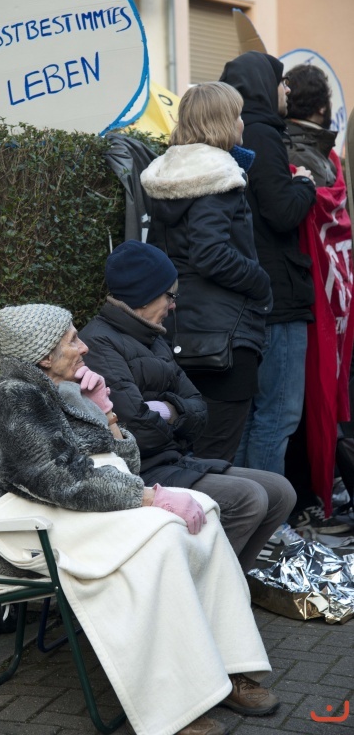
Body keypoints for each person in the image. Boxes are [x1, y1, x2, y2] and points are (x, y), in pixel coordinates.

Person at [0, 303, 279, 735]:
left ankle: (230, 667)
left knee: (202, 510)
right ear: (43, 357)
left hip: (54, 505)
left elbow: (120, 461)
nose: (84, 345)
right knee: (162, 535)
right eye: (72, 340)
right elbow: (64, 481)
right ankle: (176, 705)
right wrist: (150, 497)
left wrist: (103, 413)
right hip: (16, 525)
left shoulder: (56, 389)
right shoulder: (13, 399)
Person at [79, 240, 296, 573]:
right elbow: (133, 429)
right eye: (169, 295)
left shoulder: (152, 337)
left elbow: (199, 410)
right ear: (143, 293)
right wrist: (175, 412)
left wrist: (164, 410)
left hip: (176, 460)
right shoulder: (99, 342)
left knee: (281, 492)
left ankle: (229, 585)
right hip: (143, 472)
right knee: (250, 499)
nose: (173, 306)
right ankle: (199, 590)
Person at [142, 81, 272, 463]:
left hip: (178, 331)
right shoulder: (218, 175)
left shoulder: (167, 175)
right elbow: (211, 253)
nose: (242, 123)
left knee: (190, 459)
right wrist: (260, 283)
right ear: (221, 122)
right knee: (215, 461)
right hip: (224, 339)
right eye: (236, 114)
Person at [219, 52, 316, 491]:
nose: (288, 90)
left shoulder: (233, 134)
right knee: (277, 414)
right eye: (282, 81)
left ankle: (244, 517)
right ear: (263, 85)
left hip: (245, 299)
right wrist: (304, 185)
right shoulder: (264, 134)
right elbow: (281, 212)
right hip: (277, 296)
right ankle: (269, 525)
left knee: (249, 416)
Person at [282, 64, 354, 536]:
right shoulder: (330, 158)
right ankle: (324, 492)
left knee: (304, 404)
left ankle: (310, 498)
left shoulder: (286, 152)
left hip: (306, 295)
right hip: (336, 295)